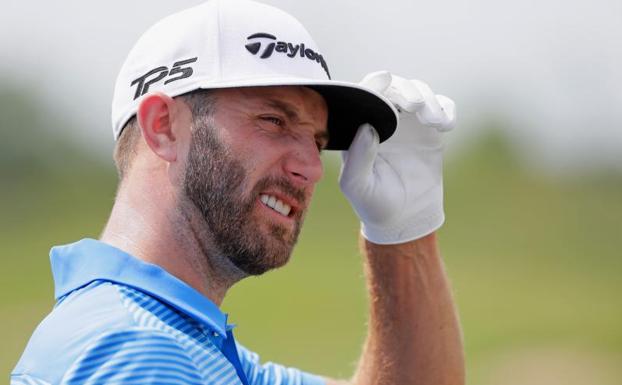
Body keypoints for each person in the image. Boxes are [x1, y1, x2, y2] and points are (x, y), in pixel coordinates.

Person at [11, 0, 464, 384]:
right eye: (274, 121)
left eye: (318, 141)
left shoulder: (182, 340)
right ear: (163, 127)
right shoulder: (137, 354)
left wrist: (404, 234)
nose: (311, 167)